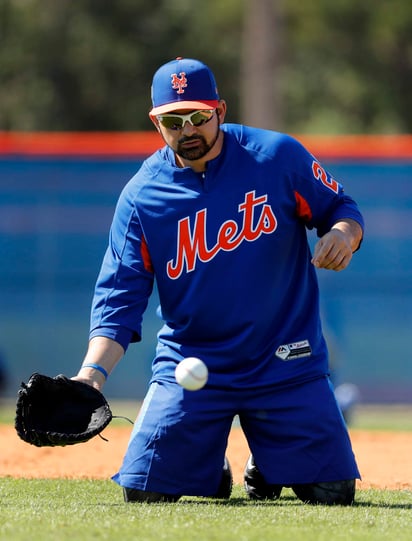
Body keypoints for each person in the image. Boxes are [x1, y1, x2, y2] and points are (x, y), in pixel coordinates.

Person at [73, 57, 364, 505]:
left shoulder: (276, 157)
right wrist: (91, 377)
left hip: (285, 360)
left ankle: (268, 460)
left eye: (198, 116)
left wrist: (343, 235)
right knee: (144, 490)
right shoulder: (141, 197)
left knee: (332, 492)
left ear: (220, 111)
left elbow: (341, 208)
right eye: (173, 119)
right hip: (193, 366)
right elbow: (119, 298)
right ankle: (209, 466)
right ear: (156, 123)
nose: (187, 129)